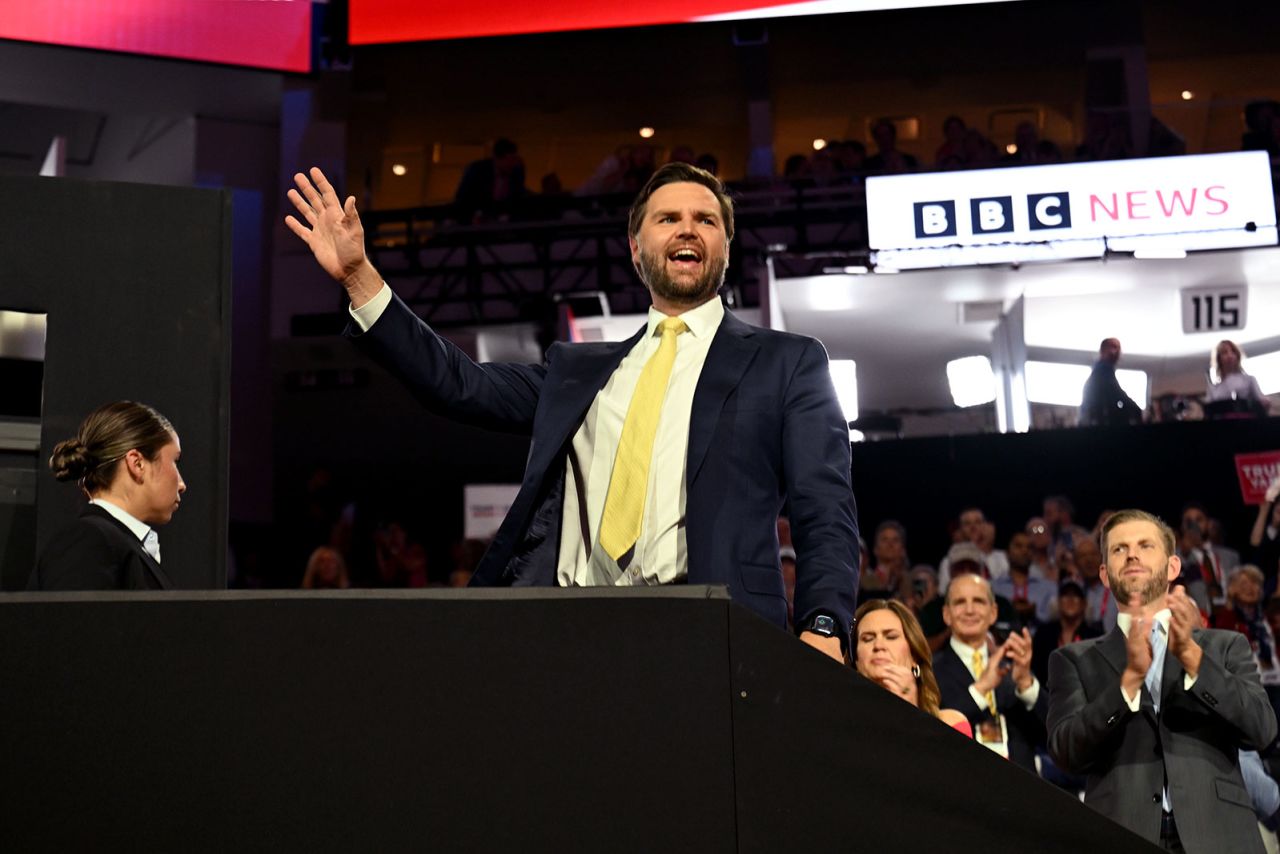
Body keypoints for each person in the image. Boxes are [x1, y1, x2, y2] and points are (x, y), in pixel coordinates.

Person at [286, 163, 859, 660]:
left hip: (716, 633)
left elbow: (824, 507)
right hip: (571, 633)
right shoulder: (575, 372)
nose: (688, 228)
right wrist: (360, 277)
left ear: (726, 250)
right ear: (636, 250)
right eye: (667, 218)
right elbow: (457, 384)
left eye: (706, 220)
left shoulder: (788, 362)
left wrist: (825, 623)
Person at [1047, 509, 1277, 853]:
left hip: (1219, 835)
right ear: (1105, 575)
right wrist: (1127, 684)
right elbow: (1066, 753)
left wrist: (1193, 659)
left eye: (1145, 545)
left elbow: (1262, 729)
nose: (1132, 554)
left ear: (1172, 567)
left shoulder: (1225, 645)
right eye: (1119, 549)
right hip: (1120, 833)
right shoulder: (1072, 659)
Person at [28, 401, 185, 591]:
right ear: (137, 464)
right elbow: (73, 620)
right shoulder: (90, 540)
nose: (182, 484)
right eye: (175, 461)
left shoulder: (111, 541)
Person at [932, 574, 1047, 773]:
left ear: (993, 613)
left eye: (978, 601)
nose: (969, 610)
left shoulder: (1015, 667)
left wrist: (1026, 684)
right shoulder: (932, 670)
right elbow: (932, 736)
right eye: (960, 602)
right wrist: (980, 689)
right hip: (964, 784)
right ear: (946, 614)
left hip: (1022, 790)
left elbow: (1051, 735)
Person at [853, 598, 971, 736]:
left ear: (914, 656)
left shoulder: (952, 724)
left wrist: (909, 712)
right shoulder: (841, 723)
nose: (879, 646)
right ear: (855, 659)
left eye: (891, 637)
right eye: (868, 639)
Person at [1078, 338, 1142, 427]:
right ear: (1102, 350)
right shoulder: (1102, 371)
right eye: (1113, 347)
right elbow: (1118, 394)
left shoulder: (1100, 371)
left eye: (1118, 348)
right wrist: (1136, 410)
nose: (1116, 352)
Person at [1206, 339, 1271, 416]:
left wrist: (1265, 403)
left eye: (1233, 351)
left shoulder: (1249, 380)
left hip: (1247, 423)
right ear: (1219, 358)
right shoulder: (1213, 388)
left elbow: (1261, 403)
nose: (1229, 355)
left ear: (1237, 355)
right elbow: (1209, 411)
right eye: (1225, 352)